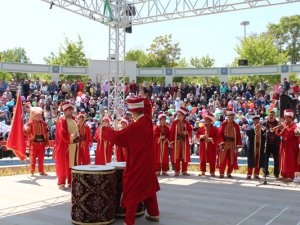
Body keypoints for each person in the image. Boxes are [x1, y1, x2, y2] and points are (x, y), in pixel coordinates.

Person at [101, 88, 160, 225]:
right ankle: (154, 213)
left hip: (138, 163)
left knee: (132, 190)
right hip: (148, 162)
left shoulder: (136, 126)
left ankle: (129, 221)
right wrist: (144, 97)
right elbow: (148, 108)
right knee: (149, 188)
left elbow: (119, 137)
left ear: (134, 112)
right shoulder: (147, 120)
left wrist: (105, 130)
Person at [54, 102, 79, 190]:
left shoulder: (73, 120)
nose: (70, 112)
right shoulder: (62, 120)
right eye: (68, 110)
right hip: (64, 146)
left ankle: (70, 182)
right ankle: (61, 183)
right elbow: (62, 134)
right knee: (63, 164)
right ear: (64, 111)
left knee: (71, 164)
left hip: (73, 145)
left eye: (71, 110)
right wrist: (71, 137)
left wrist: (78, 138)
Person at [217, 108, 242, 178]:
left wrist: (237, 145)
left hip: (232, 144)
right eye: (231, 115)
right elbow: (220, 134)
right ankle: (221, 173)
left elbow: (238, 135)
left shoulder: (236, 125)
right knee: (222, 159)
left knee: (232, 159)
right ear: (228, 116)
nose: (232, 117)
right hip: (224, 143)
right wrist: (221, 143)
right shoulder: (224, 124)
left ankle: (229, 173)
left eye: (233, 115)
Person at [276, 109, 299, 182]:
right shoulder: (285, 125)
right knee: (283, 160)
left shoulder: (294, 126)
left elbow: (290, 135)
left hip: (291, 146)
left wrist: (284, 129)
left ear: (291, 118)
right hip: (283, 145)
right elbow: (279, 134)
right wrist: (278, 129)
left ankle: (290, 176)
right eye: (285, 118)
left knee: (289, 161)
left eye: (287, 118)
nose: (285, 120)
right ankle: (283, 175)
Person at [25, 107, 49, 176]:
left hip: (42, 143)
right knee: (32, 158)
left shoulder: (43, 123)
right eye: (37, 116)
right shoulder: (31, 123)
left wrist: (46, 141)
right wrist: (25, 130)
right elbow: (27, 132)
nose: (39, 117)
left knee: (41, 158)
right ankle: (32, 171)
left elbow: (46, 133)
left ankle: (41, 171)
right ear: (33, 116)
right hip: (34, 143)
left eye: (40, 116)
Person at [169, 107, 192, 176]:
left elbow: (190, 131)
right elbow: (172, 132)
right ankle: (177, 171)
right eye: (178, 115)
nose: (178, 116)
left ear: (183, 116)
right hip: (177, 142)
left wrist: (187, 132)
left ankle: (184, 170)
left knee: (184, 157)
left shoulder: (186, 123)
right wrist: (172, 142)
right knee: (177, 157)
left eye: (179, 115)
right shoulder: (174, 122)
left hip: (184, 142)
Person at [196, 113, 219, 177]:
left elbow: (217, 137)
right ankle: (202, 171)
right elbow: (197, 134)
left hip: (212, 146)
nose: (206, 122)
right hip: (203, 146)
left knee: (212, 159)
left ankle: (212, 171)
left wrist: (211, 139)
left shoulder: (215, 129)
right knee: (202, 158)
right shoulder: (202, 128)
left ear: (211, 121)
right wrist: (201, 136)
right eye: (206, 120)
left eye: (208, 120)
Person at [245, 115, 265, 179]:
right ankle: (249, 174)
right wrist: (255, 128)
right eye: (255, 120)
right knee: (251, 160)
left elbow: (264, 135)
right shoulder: (250, 127)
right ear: (253, 120)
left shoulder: (261, 127)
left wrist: (264, 130)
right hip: (252, 147)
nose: (257, 121)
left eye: (258, 120)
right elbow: (248, 133)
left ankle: (256, 174)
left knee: (258, 161)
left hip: (259, 147)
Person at [263, 110, 281, 178]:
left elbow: (280, 133)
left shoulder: (278, 123)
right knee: (265, 159)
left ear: (274, 115)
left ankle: (276, 173)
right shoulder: (265, 123)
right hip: (267, 144)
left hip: (275, 144)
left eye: (272, 115)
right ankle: (265, 172)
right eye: (270, 115)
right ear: (268, 115)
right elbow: (262, 134)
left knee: (276, 159)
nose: (271, 116)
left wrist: (278, 128)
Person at [153, 112, 170, 176]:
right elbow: (154, 136)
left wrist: (166, 139)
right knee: (158, 158)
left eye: (164, 119)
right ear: (159, 120)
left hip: (164, 145)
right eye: (162, 119)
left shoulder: (167, 128)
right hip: (158, 145)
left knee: (165, 158)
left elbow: (169, 136)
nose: (163, 121)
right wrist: (159, 138)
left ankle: (164, 171)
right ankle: (157, 170)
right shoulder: (156, 127)